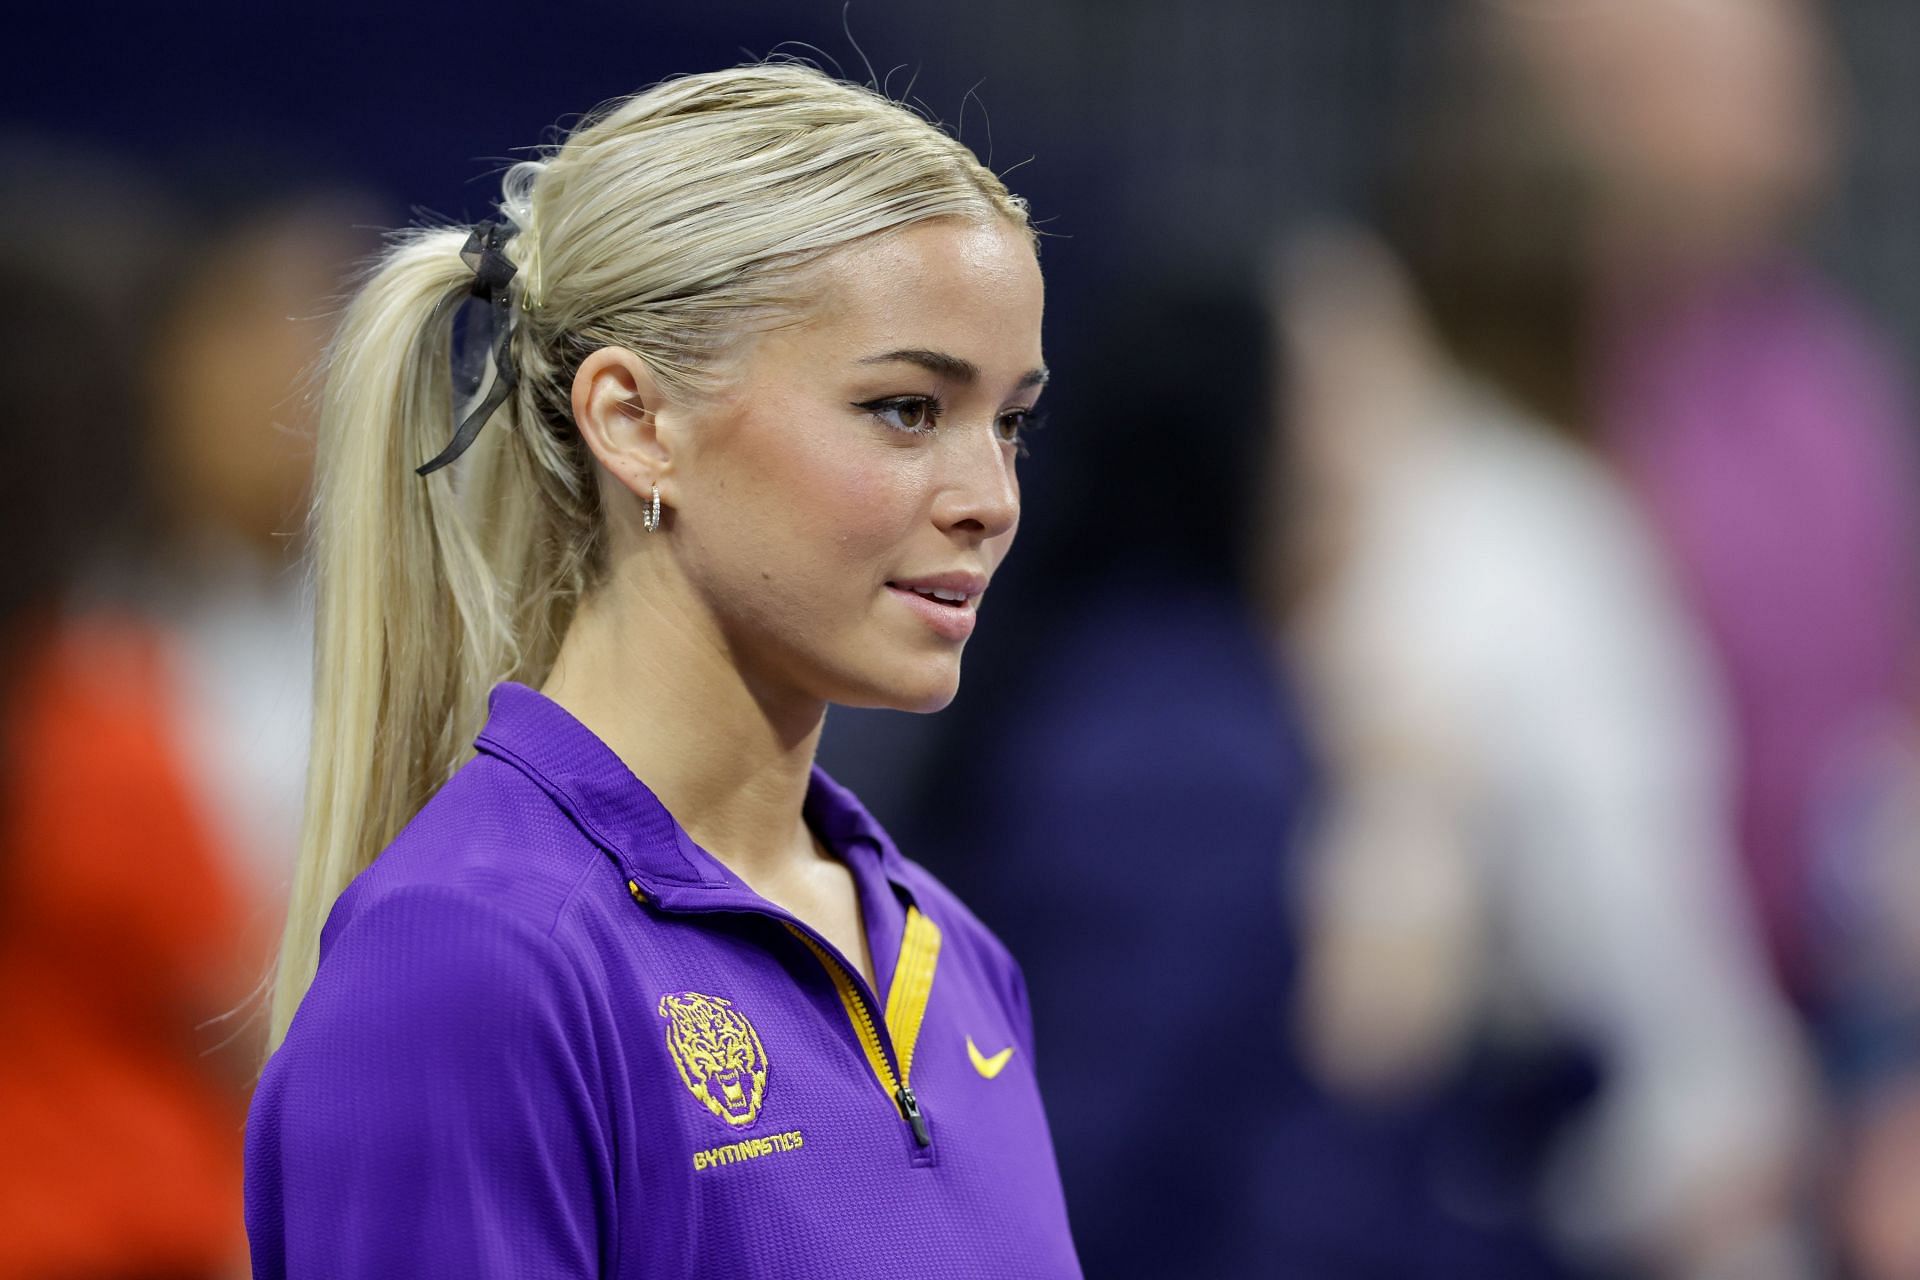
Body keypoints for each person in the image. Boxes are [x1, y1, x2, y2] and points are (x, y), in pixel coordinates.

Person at [243, 63, 1079, 1279]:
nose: (990, 499)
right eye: (906, 408)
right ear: (635, 420)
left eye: (1011, 421)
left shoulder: (954, 956)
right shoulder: (473, 961)